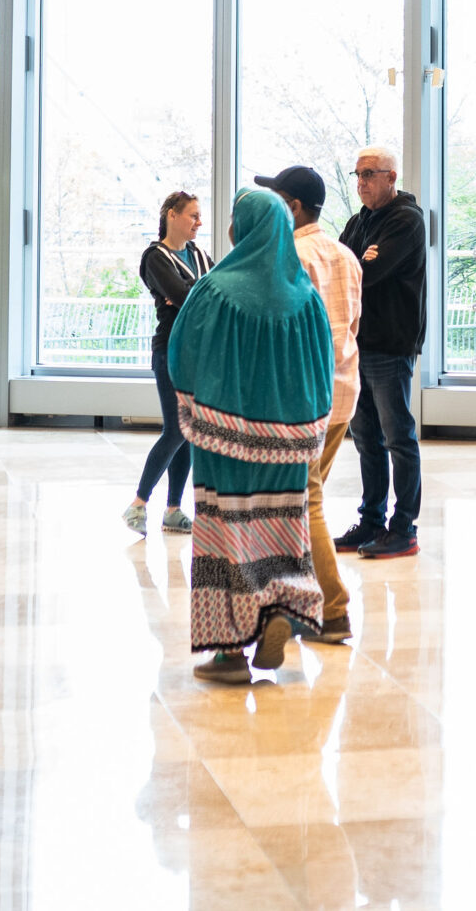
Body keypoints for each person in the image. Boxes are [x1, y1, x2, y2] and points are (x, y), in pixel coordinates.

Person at [169, 188, 333, 683]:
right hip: (288, 445)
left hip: (224, 439)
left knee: (224, 534)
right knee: (283, 528)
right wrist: (310, 427)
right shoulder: (305, 297)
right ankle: (278, 609)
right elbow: (323, 371)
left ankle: (229, 655)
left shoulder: (215, 289)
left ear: (241, 229)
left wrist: (193, 402)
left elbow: (183, 356)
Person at [257, 166, 361, 645]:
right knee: (301, 500)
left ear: (294, 207)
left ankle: (333, 610)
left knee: (306, 501)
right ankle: (299, 603)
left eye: (277, 198)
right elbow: (352, 324)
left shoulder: (289, 256)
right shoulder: (345, 255)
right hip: (343, 392)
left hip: (304, 397)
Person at [335, 145, 426, 561]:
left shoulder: (406, 220)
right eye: (357, 174)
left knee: (398, 438)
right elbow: (343, 271)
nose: (361, 182)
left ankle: (403, 528)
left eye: (369, 174)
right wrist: (359, 261)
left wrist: (360, 263)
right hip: (359, 344)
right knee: (366, 440)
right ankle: (372, 520)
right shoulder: (358, 223)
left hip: (390, 345)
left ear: (392, 177)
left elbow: (367, 274)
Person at [127, 192, 210, 535]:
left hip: (200, 353)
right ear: (172, 215)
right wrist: (196, 290)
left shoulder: (198, 254)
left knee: (189, 433)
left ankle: (173, 509)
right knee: (177, 429)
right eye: (193, 215)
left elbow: (214, 290)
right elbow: (188, 296)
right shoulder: (155, 257)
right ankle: (138, 503)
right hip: (171, 352)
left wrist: (193, 291)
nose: (199, 222)